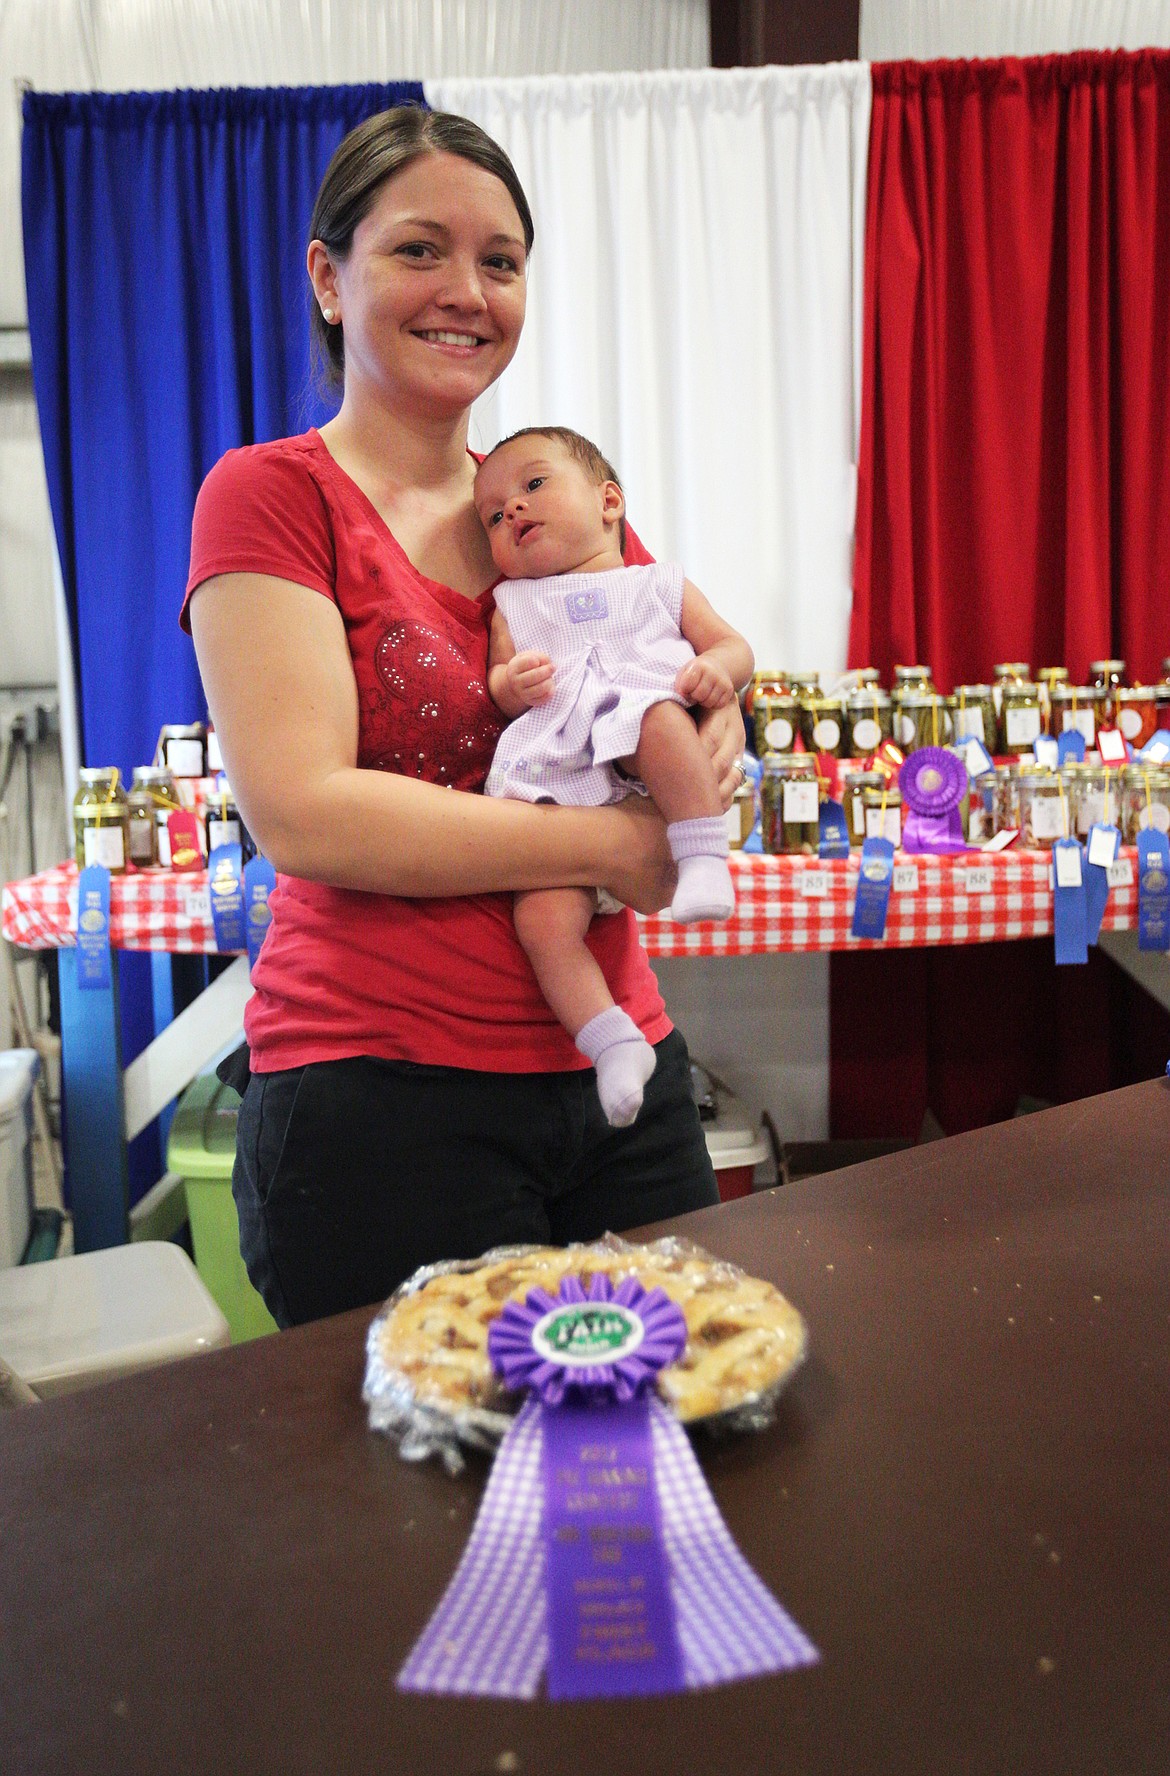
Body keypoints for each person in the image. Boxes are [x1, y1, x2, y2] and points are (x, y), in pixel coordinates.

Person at [184, 105, 747, 1329]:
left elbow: (694, 685)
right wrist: (612, 844)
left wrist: (715, 739)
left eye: (500, 260)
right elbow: (308, 814)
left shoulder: (544, 497)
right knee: (420, 1502)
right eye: (420, 250)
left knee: (665, 1445)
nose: (468, 291)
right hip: (382, 1097)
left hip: (619, 1076)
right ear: (330, 277)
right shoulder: (273, 496)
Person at [475, 426, 754, 1127]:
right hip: (562, 777)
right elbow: (497, 682)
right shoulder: (514, 602)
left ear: (609, 502)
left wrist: (719, 674)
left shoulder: (656, 583)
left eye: (533, 486)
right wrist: (514, 684)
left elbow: (731, 644)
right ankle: (610, 1043)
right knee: (541, 921)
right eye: (493, 515)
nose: (511, 511)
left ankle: (702, 857)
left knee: (656, 718)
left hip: (642, 759)